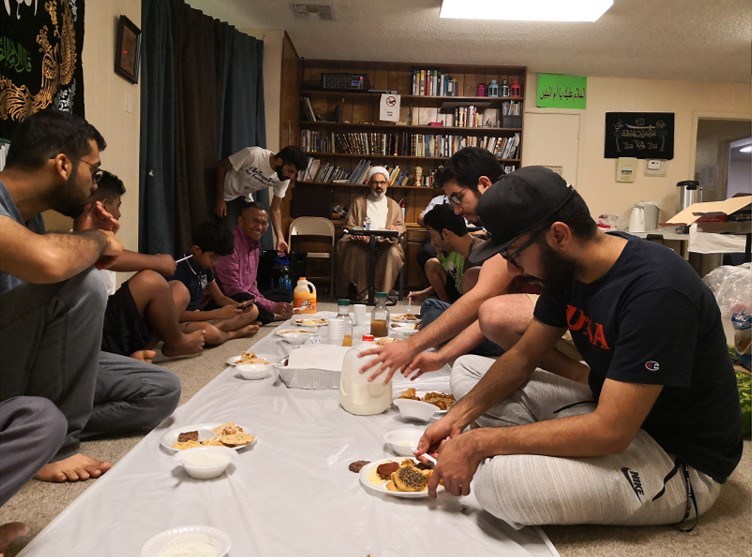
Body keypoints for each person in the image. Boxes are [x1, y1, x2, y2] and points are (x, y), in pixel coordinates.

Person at [416, 165, 743, 529]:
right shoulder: (568, 268)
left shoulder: (657, 290)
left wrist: (480, 443)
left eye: (513, 254)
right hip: (610, 409)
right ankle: (559, 444)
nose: (514, 268)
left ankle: (550, 449)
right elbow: (524, 356)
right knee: (468, 370)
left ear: (558, 235)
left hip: (677, 458)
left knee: (499, 485)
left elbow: (612, 430)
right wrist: (455, 419)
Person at [0, 108, 180, 487]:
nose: (94, 184)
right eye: (92, 171)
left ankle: (38, 430)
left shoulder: (30, 219)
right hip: (10, 367)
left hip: (23, 362)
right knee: (86, 284)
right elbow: (49, 264)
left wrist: (83, 236)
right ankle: (55, 445)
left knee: (161, 390)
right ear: (63, 165)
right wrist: (97, 241)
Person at [360, 147, 586, 383]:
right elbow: (485, 312)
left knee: (488, 309)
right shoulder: (499, 221)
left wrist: (411, 346)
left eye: (458, 198)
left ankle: (584, 379)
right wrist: (442, 356)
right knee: (480, 306)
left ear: (484, 184)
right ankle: (580, 377)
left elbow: (484, 301)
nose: (456, 209)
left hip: (578, 319)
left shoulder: (516, 212)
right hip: (551, 313)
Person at [88, 171, 206, 360]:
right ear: (102, 205)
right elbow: (106, 255)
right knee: (150, 280)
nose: (119, 214)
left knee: (178, 289)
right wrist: (157, 262)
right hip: (94, 327)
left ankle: (141, 352)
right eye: (117, 206)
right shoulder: (79, 241)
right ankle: (177, 342)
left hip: (111, 324)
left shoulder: (105, 240)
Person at [170, 221, 261, 345]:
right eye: (213, 257)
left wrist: (239, 307)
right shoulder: (178, 270)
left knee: (253, 311)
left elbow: (221, 298)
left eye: (218, 258)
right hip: (182, 322)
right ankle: (235, 333)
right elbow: (176, 316)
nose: (216, 262)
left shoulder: (205, 267)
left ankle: (220, 330)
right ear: (197, 250)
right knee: (210, 333)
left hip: (202, 317)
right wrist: (216, 313)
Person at [214, 145, 308, 253]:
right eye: (290, 171)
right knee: (228, 240)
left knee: (254, 236)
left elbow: (275, 209)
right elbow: (221, 166)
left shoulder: (284, 178)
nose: (291, 177)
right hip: (226, 194)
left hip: (244, 197)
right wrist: (219, 198)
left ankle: (249, 267)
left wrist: (280, 238)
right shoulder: (254, 155)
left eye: (295, 173)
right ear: (279, 161)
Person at [214, 202, 293, 323]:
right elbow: (232, 289)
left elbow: (251, 285)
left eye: (263, 223)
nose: (260, 227)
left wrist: (265, 301)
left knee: (285, 293)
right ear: (241, 222)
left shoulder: (255, 244)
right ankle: (270, 316)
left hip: (246, 293)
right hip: (226, 297)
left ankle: (262, 315)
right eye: (255, 222)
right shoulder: (229, 243)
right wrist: (271, 306)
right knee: (247, 300)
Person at [336, 166, 406, 299]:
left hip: (385, 243)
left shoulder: (393, 205)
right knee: (354, 250)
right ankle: (361, 293)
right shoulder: (358, 203)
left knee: (393, 253)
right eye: (375, 182)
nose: (378, 186)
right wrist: (361, 236)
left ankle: (382, 294)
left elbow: (400, 226)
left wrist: (395, 229)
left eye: (382, 182)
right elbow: (350, 225)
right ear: (368, 183)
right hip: (362, 243)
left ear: (387, 184)